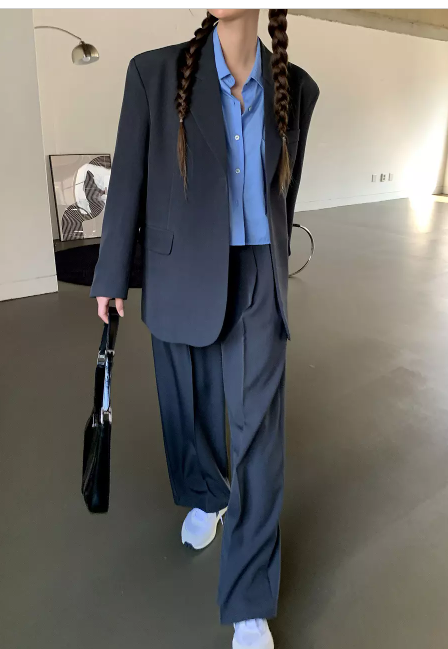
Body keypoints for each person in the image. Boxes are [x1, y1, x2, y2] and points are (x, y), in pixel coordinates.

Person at [90, 9, 319, 648]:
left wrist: (273, 265)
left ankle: (250, 598)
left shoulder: (295, 88)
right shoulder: (154, 74)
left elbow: (285, 191)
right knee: (188, 410)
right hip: (181, 267)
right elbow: (128, 178)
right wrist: (111, 273)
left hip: (257, 276)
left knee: (260, 442)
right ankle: (206, 493)